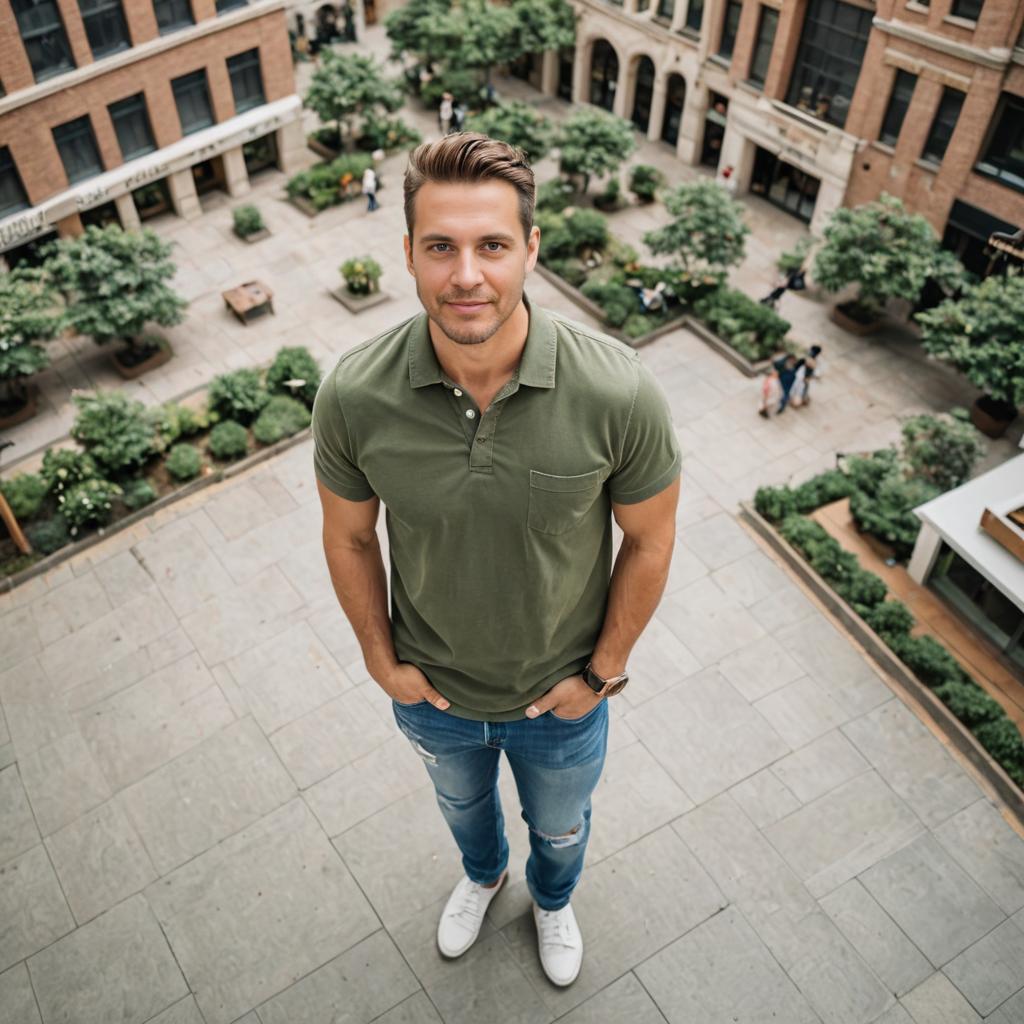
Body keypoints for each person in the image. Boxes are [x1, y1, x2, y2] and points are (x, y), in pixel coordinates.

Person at [311, 134, 680, 988]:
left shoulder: (617, 390)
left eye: (492, 245)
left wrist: (603, 674)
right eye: (440, 246)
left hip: (562, 700)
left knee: (561, 828)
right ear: (407, 253)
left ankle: (553, 898)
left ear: (531, 250)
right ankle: (484, 877)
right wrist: (381, 662)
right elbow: (350, 537)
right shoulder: (355, 395)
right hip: (434, 696)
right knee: (463, 809)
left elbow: (651, 540)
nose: (465, 274)